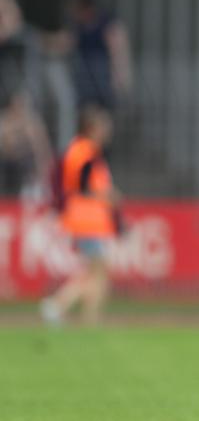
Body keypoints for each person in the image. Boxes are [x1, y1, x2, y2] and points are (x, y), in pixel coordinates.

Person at [41, 105, 120, 326]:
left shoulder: (79, 150)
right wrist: (108, 195)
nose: (107, 131)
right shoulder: (86, 153)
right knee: (97, 271)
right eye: (103, 126)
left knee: (96, 271)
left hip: (86, 218)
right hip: (87, 219)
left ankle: (89, 316)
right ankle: (59, 305)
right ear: (92, 128)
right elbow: (83, 186)